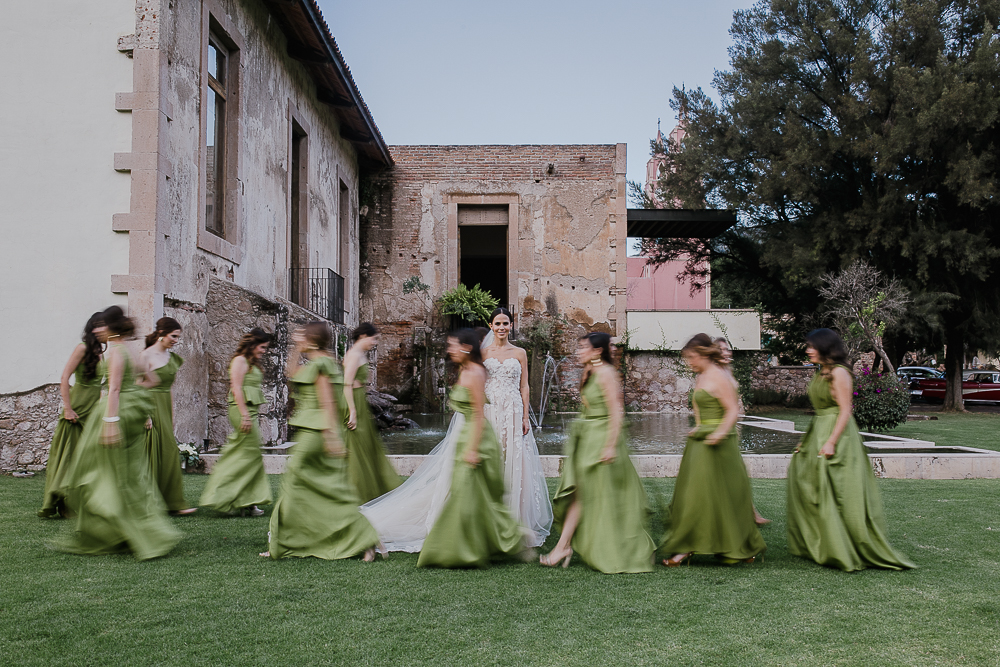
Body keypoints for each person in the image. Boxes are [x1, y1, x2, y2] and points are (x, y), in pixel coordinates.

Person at [57, 306, 180, 560]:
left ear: (112, 328)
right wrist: (134, 396)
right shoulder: (131, 350)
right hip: (133, 410)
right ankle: (133, 529)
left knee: (99, 470)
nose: (97, 330)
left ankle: (112, 529)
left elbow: (113, 390)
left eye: (101, 326)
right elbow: (153, 382)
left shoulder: (115, 352)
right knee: (128, 472)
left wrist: (111, 422)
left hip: (117, 413)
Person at [786, 329, 915, 571]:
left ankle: (846, 545)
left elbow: (845, 410)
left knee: (840, 491)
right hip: (819, 430)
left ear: (825, 347)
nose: (807, 350)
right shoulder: (821, 372)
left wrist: (832, 441)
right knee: (809, 484)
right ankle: (823, 542)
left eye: (812, 346)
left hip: (839, 435)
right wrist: (808, 439)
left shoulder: (839, 373)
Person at [263, 322, 380, 561]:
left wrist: (332, 437)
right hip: (311, 431)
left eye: (303, 337)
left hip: (316, 433)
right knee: (323, 489)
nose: (299, 339)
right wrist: (296, 347)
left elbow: (327, 403)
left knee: (296, 486)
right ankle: (362, 540)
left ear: (313, 341)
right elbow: (290, 372)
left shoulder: (322, 365)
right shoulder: (319, 363)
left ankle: (285, 543)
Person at [540, 332, 654, 573]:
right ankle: (563, 546)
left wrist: (610, 446)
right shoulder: (589, 371)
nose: (579, 352)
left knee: (589, 495)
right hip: (588, 437)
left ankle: (565, 547)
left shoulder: (605, 373)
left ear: (597, 351)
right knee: (582, 494)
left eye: (584, 348)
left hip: (603, 439)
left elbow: (616, 412)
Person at [416, 329, 526, 568]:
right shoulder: (464, 370)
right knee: (472, 494)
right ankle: (477, 543)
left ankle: (491, 542)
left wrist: (474, 450)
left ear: (466, 347)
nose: (449, 350)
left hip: (478, 438)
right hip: (466, 437)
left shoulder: (475, 372)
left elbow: (477, 415)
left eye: (453, 345)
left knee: (472, 494)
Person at [660, 334, 766, 567]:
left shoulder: (719, 376)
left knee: (723, 496)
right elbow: (700, 407)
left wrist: (718, 434)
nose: (689, 362)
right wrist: (698, 427)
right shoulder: (701, 376)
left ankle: (739, 546)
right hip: (700, 442)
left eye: (691, 358)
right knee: (694, 496)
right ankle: (688, 545)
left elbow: (731, 411)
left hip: (719, 442)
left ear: (702, 354)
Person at [481, 307, 553, 547]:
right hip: (491, 410)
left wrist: (524, 416)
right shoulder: (483, 352)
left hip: (512, 411)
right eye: (497, 323)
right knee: (493, 459)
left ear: (511, 326)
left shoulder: (520, 352)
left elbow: (524, 386)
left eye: (506, 323)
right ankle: (490, 516)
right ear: (491, 326)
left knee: (514, 460)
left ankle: (515, 518)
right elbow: (479, 384)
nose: (502, 327)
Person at [39, 313, 107, 518]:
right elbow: (64, 377)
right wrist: (67, 408)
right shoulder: (82, 348)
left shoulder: (101, 352)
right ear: (94, 328)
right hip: (77, 407)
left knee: (88, 457)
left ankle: (82, 500)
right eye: (103, 326)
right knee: (70, 455)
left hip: (93, 408)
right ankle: (64, 503)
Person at [200, 328, 274, 515]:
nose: (264, 351)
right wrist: (245, 415)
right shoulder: (240, 361)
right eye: (262, 347)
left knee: (247, 454)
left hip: (251, 411)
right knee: (249, 454)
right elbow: (237, 388)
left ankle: (246, 502)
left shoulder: (252, 362)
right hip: (242, 411)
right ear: (253, 344)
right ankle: (230, 497)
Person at [139, 317, 196, 515]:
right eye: (173, 336)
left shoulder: (171, 358)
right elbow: (138, 387)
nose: (175, 340)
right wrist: (145, 415)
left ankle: (173, 503)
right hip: (149, 406)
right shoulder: (146, 356)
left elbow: (169, 388)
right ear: (162, 334)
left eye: (178, 337)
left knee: (169, 452)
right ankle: (150, 502)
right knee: (152, 453)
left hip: (164, 407)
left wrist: (171, 416)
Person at [714, 337, 771, 526]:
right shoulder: (715, 374)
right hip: (720, 428)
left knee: (736, 473)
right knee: (732, 474)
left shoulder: (728, 372)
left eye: (728, 349)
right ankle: (750, 514)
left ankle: (751, 513)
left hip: (730, 428)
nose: (726, 352)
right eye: (721, 349)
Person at [341, 323, 401, 502]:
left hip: (358, 400)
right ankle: (355, 492)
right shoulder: (353, 355)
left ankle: (369, 490)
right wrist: (352, 411)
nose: (374, 343)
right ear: (363, 336)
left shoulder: (359, 353)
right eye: (373, 339)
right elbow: (346, 384)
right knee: (355, 447)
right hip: (353, 401)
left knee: (366, 445)